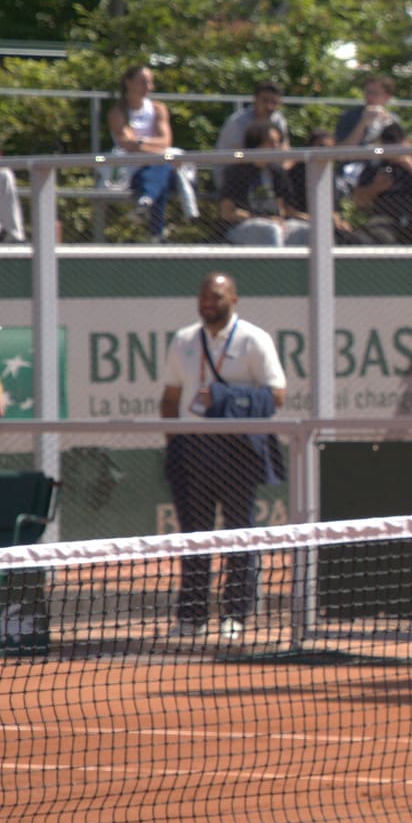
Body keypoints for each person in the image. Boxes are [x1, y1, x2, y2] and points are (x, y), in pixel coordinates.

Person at [159, 272, 288, 642]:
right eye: (203, 297)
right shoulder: (183, 339)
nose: (208, 303)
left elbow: (277, 395)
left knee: (239, 533)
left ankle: (236, 613)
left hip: (236, 451)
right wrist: (175, 443)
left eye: (216, 297)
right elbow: (170, 398)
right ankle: (191, 615)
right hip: (190, 452)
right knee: (193, 537)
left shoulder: (253, 339)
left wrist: (225, 397)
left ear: (234, 299)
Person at [108, 64, 194, 239]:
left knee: (159, 171)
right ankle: (157, 234)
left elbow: (165, 140)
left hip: (157, 167)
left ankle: (146, 203)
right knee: (161, 171)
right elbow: (127, 144)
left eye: (150, 82)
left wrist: (141, 144)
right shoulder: (118, 112)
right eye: (143, 82)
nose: (149, 87)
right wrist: (157, 151)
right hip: (134, 171)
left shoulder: (158, 109)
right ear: (128, 83)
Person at [350, 119, 412, 244]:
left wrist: (410, 165)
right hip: (385, 221)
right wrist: (375, 187)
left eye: (396, 143)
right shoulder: (375, 164)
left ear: (407, 142)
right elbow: (358, 201)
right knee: (374, 237)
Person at [218, 123, 311, 246]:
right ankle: (277, 265)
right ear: (257, 143)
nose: (276, 146)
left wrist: (311, 219)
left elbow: (283, 209)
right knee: (271, 230)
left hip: (275, 222)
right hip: (242, 226)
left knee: (308, 230)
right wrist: (263, 219)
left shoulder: (277, 172)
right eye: (271, 142)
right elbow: (227, 212)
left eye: (278, 142)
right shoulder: (237, 172)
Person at [216, 81, 292, 184]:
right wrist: (251, 157)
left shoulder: (278, 120)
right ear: (255, 100)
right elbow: (235, 154)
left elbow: (285, 148)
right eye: (265, 101)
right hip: (235, 169)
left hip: (267, 170)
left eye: (274, 102)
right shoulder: (238, 122)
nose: (269, 106)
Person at [334, 74, 396, 146]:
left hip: (380, 155)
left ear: (387, 97)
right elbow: (342, 152)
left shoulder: (393, 120)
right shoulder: (348, 116)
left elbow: (398, 150)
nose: (369, 97)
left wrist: (388, 125)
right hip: (357, 156)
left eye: (375, 93)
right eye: (368, 92)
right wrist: (362, 123)